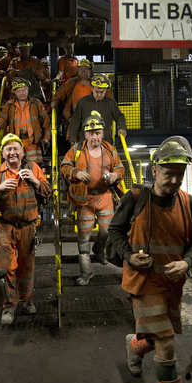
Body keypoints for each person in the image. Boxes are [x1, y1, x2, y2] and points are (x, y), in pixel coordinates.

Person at [107, 136, 192, 383]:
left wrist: (188, 262)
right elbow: (115, 232)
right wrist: (128, 256)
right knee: (166, 344)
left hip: (171, 286)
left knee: (153, 338)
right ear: (155, 169)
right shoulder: (135, 197)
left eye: (180, 172)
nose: (174, 179)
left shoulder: (190, 204)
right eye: (168, 172)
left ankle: (135, 346)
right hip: (143, 283)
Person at [0, 133, 51, 325]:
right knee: (7, 268)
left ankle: (26, 301)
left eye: (15, 148)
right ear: (3, 153)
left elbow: (48, 191)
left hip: (28, 227)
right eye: (8, 149)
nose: (12, 153)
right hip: (5, 227)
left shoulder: (32, 168)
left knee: (27, 267)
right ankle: (9, 306)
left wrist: (35, 180)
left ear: (22, 152)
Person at [61, 113, 124, 285]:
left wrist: (113, 176)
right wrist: (76, 172)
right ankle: (86, 273)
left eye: (98, 132)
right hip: (84, 199)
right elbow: (65, 165)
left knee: (107, 231)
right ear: (85, 134)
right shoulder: (76, 150)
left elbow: (120, 168)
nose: (95, 136)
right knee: (84, 237)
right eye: (91, 133)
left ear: (102, 133)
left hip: (105, 197)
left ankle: (99, 249)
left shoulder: (110, 149)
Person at [0, 77, 51, 165]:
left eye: (24, 90)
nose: (22, 93)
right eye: (19, 91)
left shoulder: (36, 103)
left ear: (28, 90)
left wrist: (46, 138)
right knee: (16, 165)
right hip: (16, 142)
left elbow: (46, 121)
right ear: (15, 93)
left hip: (32, 142)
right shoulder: (10, 105)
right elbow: (3, 117)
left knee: (34, 167)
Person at [67, 73, 127, 144]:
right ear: (92, 89)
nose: (99, 95)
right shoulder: (83, 102)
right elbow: (75, 121)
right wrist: (73, 139)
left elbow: (120, 116)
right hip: (85, 143)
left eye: (102, 92)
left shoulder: (110, 102)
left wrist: (122, 128)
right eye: (97, 92)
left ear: (106, 90)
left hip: (105, 142)